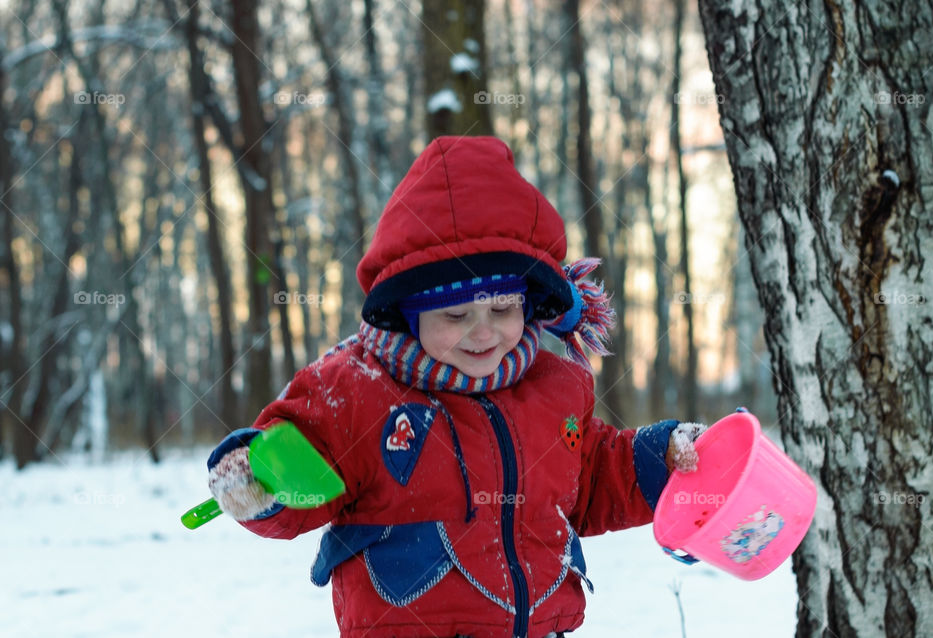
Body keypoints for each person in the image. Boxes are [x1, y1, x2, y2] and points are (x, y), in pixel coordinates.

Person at [206, 136, 706, 638]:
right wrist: (263, 477)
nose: (483, 331)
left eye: (503, 310)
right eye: (455, 314)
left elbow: (593, 476)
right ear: (407, 311)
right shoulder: (358, 392)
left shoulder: (557, 387)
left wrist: (658, 457)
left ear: (529, 305)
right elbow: (309, 459)